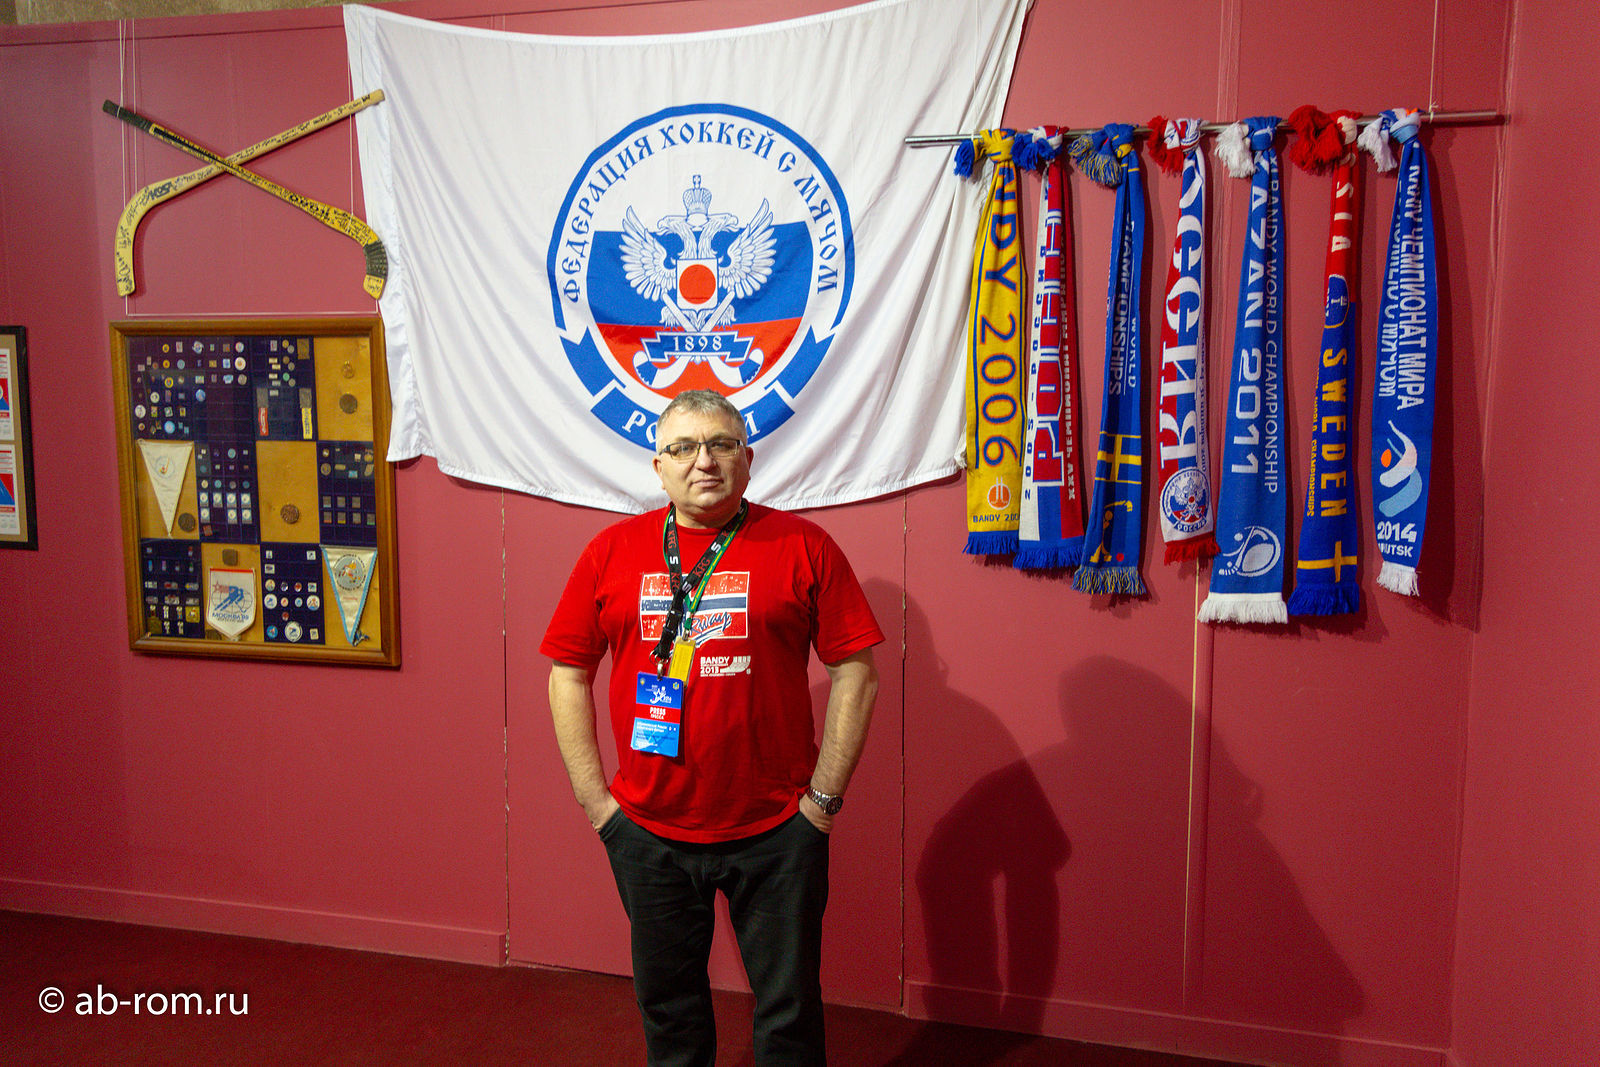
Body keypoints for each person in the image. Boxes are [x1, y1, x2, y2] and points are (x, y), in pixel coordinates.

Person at [542, 389, 882, 1067]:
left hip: (777, 830)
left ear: (747, 459)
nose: (705, 461)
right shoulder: (610, 552)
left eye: (722, 444)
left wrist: (821, 804)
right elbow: (567, 674)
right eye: (684, 447)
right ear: (659, 466)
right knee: (669, 1011)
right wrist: (597, 805)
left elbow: (857, 673)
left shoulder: (804, 545)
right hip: (648, 831)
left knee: (788, 1013)